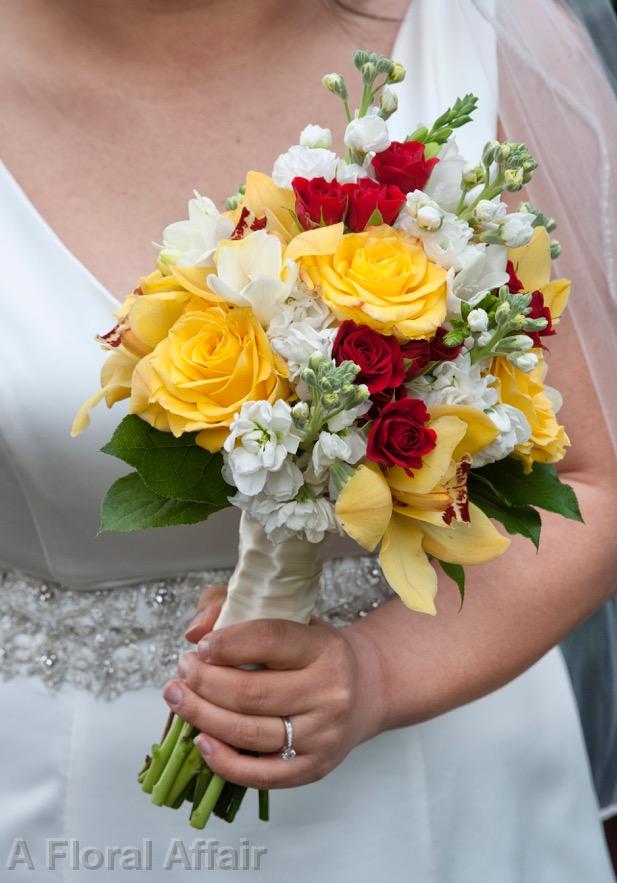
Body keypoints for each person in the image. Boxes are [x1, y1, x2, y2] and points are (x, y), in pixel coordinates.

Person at [0, 1, 615, 881]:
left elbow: (596, 481)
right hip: (53, 787)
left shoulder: (477, 32)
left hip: (436, 779)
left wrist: (376, 673)